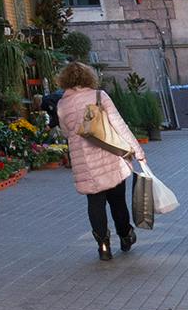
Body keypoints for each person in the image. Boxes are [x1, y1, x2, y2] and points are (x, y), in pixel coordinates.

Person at [54, 61, 145, 260]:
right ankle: (125, 235)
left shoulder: (63, 104)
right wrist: (137, 151)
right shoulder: (99, 96)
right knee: (117, 201)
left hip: (84, 163)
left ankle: (103, 245)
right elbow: (119, 125)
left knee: (95, 204)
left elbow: (66, 131)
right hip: (110, 158)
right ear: (88, 77)